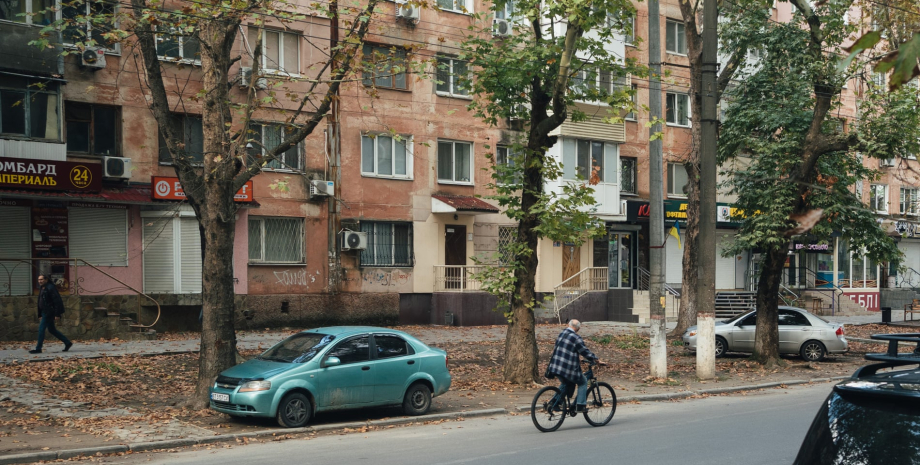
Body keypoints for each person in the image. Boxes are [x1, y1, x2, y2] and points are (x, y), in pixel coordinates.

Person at [545, 319, 598, 412]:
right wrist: (595, 359)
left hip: (555, 366)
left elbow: (566, 349)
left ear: (568, 325)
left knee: (566, 383)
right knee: (583, 382)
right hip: (567, 369)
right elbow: (584, 351)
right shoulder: (575, 337)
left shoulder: (562, 334)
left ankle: (554, 402)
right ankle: (580, 406)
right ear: (578, 328)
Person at [29, 274, 73, 354]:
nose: (40, 281)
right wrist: (40, 314)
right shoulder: (42, 288)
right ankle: (67, 342)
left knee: (41, 329)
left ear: (46, 280)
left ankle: (38, 348)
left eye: (41, 279)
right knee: (52, 330)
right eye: (39, 280)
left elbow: (57, 301)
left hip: (49, 312)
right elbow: (40, 301)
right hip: (44, 311)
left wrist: (57, 314)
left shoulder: (50, 288)